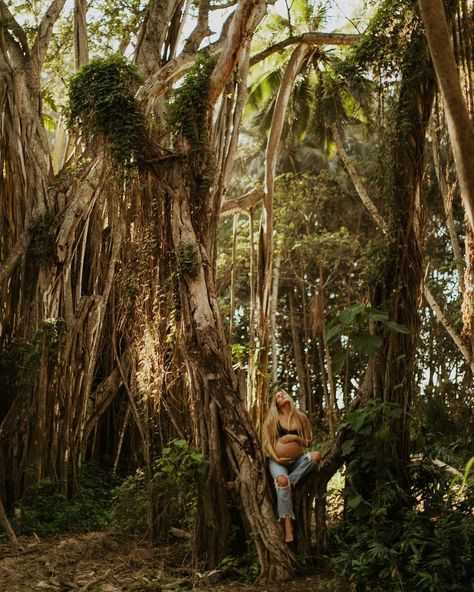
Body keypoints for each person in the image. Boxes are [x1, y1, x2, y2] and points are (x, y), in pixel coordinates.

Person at [262, 389, 321, 543]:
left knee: (316, 456)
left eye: (283, 393)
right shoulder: (273, 419)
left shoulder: (301, 417)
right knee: (282, 480)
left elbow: (309, 442)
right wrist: (278, 459)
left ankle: (291, 481)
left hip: (297, 461)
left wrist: (294, 437)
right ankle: (288, 525)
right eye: (278, 397)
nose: (281, 396)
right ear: (277, 404)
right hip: (277, 462)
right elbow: (267, 444)